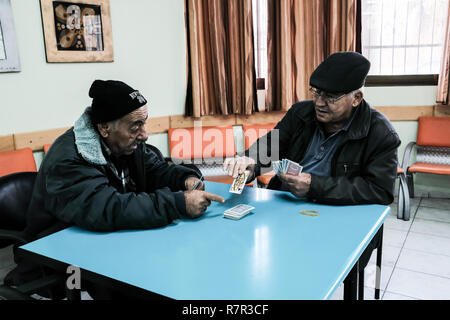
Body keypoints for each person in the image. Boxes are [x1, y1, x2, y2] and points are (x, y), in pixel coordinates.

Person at [7, 80, 224, 295]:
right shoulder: (68, 159)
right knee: (139, 282)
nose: (144, 134)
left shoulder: (126, 144)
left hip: (106, 239)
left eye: (144, 123)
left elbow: (157, 170)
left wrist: (185, 179)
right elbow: (108, 208)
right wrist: (179, 202)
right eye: (135, 126)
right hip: (57, 253)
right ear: (104, 128)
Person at [224, 51, 400, 206]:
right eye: (316, 92)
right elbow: (273, 145)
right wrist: (250, 162)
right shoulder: (301, 113)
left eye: (330, 97)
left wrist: (313, 186)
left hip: (334, 211)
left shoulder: (381, 134)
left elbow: (380, 191)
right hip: (285, 202)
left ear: (356, 98)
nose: (319, 103)